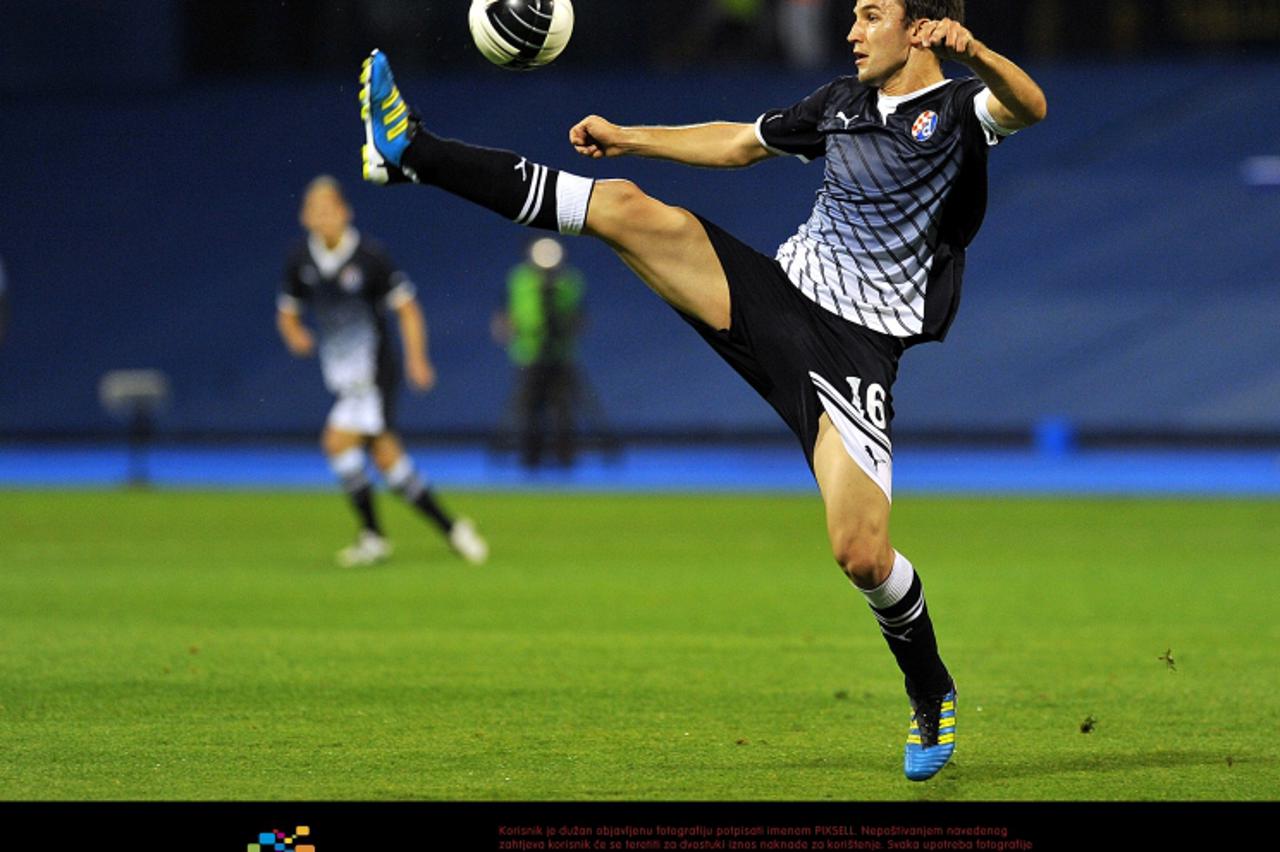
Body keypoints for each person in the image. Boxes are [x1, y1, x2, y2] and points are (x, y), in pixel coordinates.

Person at [357, 0, 1045, 780]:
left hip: (855, 352)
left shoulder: (956, 111)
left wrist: (978, 50)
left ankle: (931, 688)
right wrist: (629, 138)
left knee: (860, 553)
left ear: (921, 28)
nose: (852, 30)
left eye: (870, 14)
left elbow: (1028, 104)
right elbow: (739, 144)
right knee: (620, 206)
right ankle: (414, 149)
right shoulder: (840, 103)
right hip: (774, 297)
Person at [277, 175, 489, 567]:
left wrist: (417, 359)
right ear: (305, 217)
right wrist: (294, 335)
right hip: (343, 376)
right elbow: (287, 312)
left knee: (337, 442)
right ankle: (453, 529)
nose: (323, 217)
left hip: (375, 373)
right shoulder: (300, 260)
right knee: (390, 462)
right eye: (315, 210)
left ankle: (374, 537)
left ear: (345, 212)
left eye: (330, 208)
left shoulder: (370, 257)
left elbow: (407, 308)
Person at [491, 237, 586, 468]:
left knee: (563, 409)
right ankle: (530, 457)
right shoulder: (518, 279)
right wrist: (507, 329)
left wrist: (567, 329)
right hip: (528, 355)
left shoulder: (570, 281)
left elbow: (579, 317)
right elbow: (504, 314)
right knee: (528, 409)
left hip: (561, 354)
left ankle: (565, 457)